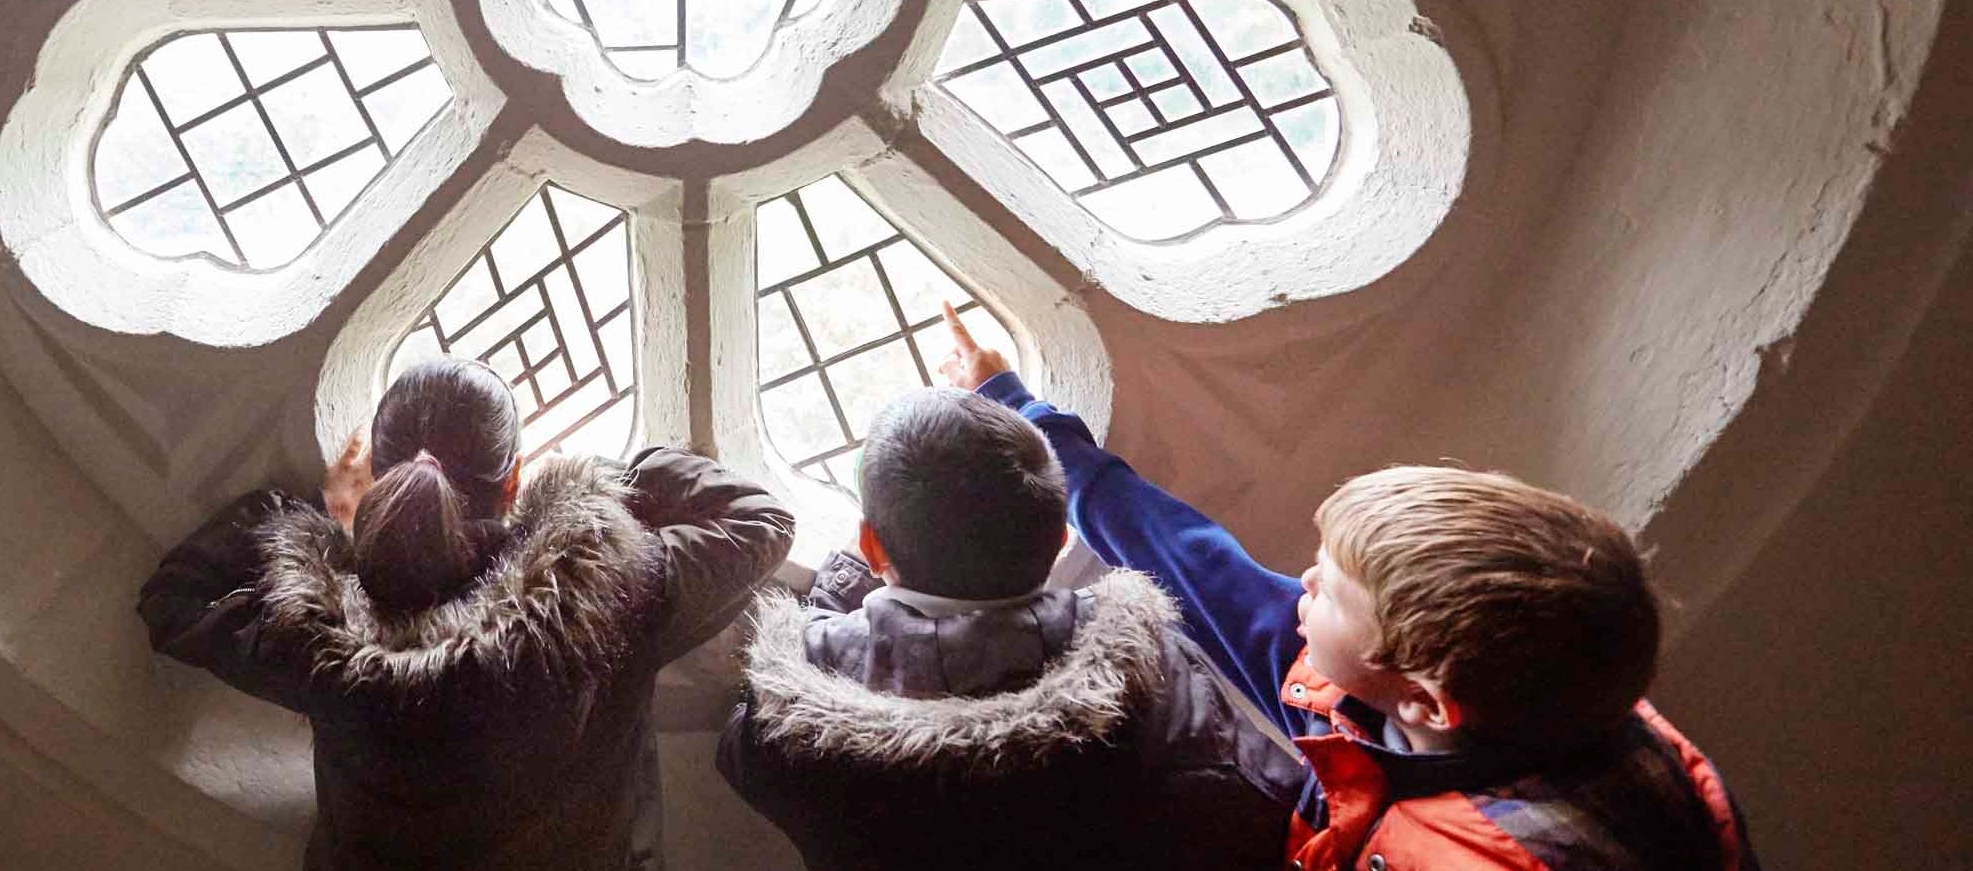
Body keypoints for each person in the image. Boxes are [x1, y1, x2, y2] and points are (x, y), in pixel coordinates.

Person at [937, 306, 1759, 871]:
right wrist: (1016, 409)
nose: (1301, 581)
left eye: (1330, 590)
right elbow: (1191, 561)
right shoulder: (1538, 686)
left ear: (1429, 703)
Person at [138, 357, 793, 871]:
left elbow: (174, 600)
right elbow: (763, 522)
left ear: (376, 476)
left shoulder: (317, 634)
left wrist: (291, 517)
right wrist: (611, 475)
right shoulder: (606, 597)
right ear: (514, 480)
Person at [715, 380, 1305, 870]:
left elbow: (744, 762)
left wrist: (838, 595)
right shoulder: (1159, 671)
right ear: (1060, 541)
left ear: (872, 546)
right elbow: (1263, 797)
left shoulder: (797, 709)